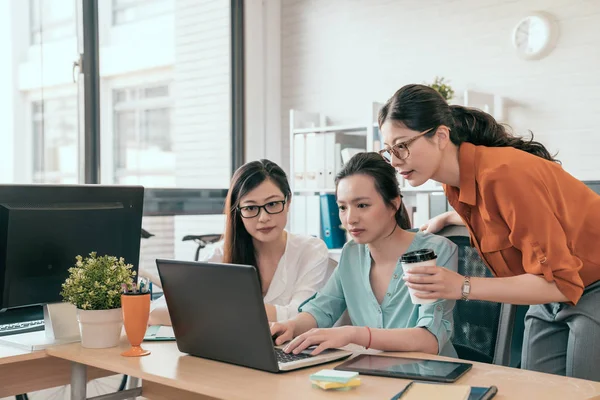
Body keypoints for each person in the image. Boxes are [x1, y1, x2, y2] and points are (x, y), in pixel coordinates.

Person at [377, 83, 600, 381]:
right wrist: (451, 216)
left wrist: (462, 286)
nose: (394, 160)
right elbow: (504, 214)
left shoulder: (505, 174)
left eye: (402, 145)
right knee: (537, 388)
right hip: (552, 292)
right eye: (389, 150)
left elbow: (561, 282)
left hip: (585, 285)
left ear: (441, 136)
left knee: (578, 390)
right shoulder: (456, 183)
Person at [270, 152, 458, 357]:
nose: (350, 219)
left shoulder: (436, 251)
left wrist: (354, 334)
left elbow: (429, 340)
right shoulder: (352, 254)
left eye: (362, 205)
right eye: (342, 207)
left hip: (431, 378)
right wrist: (290, 326)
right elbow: (322, 309)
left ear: (394, 204)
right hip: (371, 376)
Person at [149, 159, 331, 325]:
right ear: (238, 211)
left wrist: (219, 309)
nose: (264, 217)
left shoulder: (311, 250)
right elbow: (161, 309)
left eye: (273, 204)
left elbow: (302, 314)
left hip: (294, 354)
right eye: (251, 208)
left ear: (288, 201)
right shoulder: (221, 255)